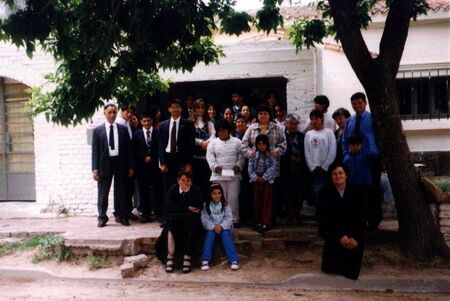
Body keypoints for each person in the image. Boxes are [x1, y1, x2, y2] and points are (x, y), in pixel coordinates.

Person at [317, 163, 367, 280]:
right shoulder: (324, 193)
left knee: (350, 270)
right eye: (334, 174)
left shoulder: (358, 192)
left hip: (353, 235)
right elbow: (324, 219)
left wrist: (355, 237)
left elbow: (362, 217)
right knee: (331, 269)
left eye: (340, 173)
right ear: (330, 176)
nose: (338, 176)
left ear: (346, 175)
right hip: (334, 234)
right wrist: (339, 236)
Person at [342, 92, 382, 229]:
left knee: (372, 189)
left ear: (365, 103)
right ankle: (360, 220)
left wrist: (377, 155)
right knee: (355, 190)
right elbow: (345, 140)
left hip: (371, 159)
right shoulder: (349, 121)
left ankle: (375, 220)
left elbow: (379, 137)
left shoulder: (372, 118)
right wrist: (346, 155)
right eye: (354, 104)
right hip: (354, 160)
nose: (357, 106)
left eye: (359, 103)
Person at [241, 104, 286, 225]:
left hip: (272, 169)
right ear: (257, 115)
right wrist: (249, 152)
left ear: (269, 115)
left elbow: (283, 145)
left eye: (265, 113)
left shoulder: (277, 128)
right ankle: (258, 220)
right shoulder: (251, 128)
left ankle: (269, 220)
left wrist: (275, 152)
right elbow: (244, 144)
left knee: (270, 197)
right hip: (255, 170)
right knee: (256, 198)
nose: (263, 116)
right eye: (260, 113)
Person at [91, 103, 134, 227]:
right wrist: (95, 169)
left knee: (122, 192)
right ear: (104, 114)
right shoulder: (97, 131)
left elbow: (128, 150)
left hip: (120, 163)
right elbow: (95, 152)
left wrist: (130, 166)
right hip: (104, 164)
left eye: (114, 112)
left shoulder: (123, 129)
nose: (112, 115)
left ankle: (123, 216)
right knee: (103, 193)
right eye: (109, 112)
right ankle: (102, 218)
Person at [156, 168, 203, 273]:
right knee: (172, 225)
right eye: (183, 180)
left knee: (192, 226)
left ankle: (187, 256)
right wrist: (186, 208)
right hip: (175, 219)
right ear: (178, 180)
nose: (185, 183)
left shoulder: (195, 190)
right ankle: (170, 256)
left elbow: (197, 206)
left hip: (191, 220)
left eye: (188, 180)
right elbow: (169, 206)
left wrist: (187, 194)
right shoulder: (173, 190)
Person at [158, 98, 195, 227]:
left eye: (177, 107)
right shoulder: (162, 125)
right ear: (169, 109)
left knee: (183, 187)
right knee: (167, 189)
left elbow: (191, 145)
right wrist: (162, 162)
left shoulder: (188, 124)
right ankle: (166, 217)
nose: (175, 109)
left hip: (182, 160)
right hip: (168, 160)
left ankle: (182, 215)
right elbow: (160, 145)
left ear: (181, 109)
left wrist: (188, 164)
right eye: (173, 107)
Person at [206, 120, 244, 226]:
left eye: (224, 130)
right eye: (219, 131)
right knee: (218, 198)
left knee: (233, 198)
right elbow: (210, 157)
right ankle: (219, 220)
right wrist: (215, 167)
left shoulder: (237, 142)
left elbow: (241, 156)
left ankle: (234, 219)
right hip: (218, 176)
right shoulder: (213, 143)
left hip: (234, 176)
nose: (222, 133)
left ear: (229, 130)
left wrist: (238, 165)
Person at [200, 183, 240, 271]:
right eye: (214, 193)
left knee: (226, 236)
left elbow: (228, 218)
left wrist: (221, 226)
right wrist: (213, 227)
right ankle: (205, 259)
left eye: (219, 193)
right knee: (209, 236)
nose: (217, 195)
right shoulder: (205, 205)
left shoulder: (225, 205)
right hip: (212, 227)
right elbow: (205, 219)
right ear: (210, 194)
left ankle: (233, 260)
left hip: (223, 227)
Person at [304, 109, 336, 207]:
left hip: (326, 169)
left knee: (327, 193)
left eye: (316, 118)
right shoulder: (308, 134)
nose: (314, 121)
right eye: (312, 119)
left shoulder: (329, 133)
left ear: (322, 119)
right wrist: (312, 167)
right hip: (314, 170)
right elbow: (307, 152)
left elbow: (332, 151)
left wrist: (325, 166)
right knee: (316, 192)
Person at [132, 112, 159, 223]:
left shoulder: (157, 133)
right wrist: (144, 157)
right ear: (141, 122)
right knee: (143, 191)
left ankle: (156, 212)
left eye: (148, 121)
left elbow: (160, 148)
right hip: (142, 168)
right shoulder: (136, 134)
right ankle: (145, 214)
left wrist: (152, 157)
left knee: (156, 190)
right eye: (144, 121)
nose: (147, 123)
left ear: (152, 121)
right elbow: (134, 150)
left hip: (155, 167)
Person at [280, 113, 307, 223]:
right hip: (286, 167)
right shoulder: (282, 136)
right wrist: (289, 158)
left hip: (299, 168)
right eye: (291, 123)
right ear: (286, 123)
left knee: (299, 190)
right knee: (287, 190)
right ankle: (291, 214)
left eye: (295, 124)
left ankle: (298, 213)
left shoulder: (302, 136)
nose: (293, 126)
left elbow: (305, 151)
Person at [248, 134, 277, 233]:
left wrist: (264, 177)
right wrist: (256, 178)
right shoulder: (253, 155)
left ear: (267, 145)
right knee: (257, 201)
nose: (261, 146)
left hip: (267, 181)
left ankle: (266, 222)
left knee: (266, 201)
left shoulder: (271, 155)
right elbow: (250, 168)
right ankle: (258, 221)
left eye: (263, 144)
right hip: (256, 181)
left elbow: (273, 168)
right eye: (259, 144)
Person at [191, 99, 216, 195]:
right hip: (195, 158)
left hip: (207, 158)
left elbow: (214, 135)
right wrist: (200, 142)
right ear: (194, 109)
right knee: (196, 183)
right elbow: (189, 137)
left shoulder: (208, 122)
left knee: (206, 183)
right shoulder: (190, 122)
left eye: (202, 108)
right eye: (198, 107)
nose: (200, 110)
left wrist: (206, 143)